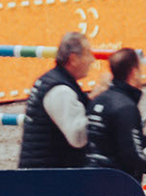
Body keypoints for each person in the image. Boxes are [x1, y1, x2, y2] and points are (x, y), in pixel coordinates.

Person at [86, 46, 146, 178]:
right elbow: (131, 156)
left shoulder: (97, 101)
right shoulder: (126, 107)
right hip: (116, 181)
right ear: (134, 72)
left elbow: (114, 142)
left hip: (91, 176)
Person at [19, 31, 92, 168]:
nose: (92, 60)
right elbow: (78, 138)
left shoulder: (50, 80)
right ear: (73, 59)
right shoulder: (60, 90)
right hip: (49, 174)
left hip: (40, 170)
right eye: (88, 54)